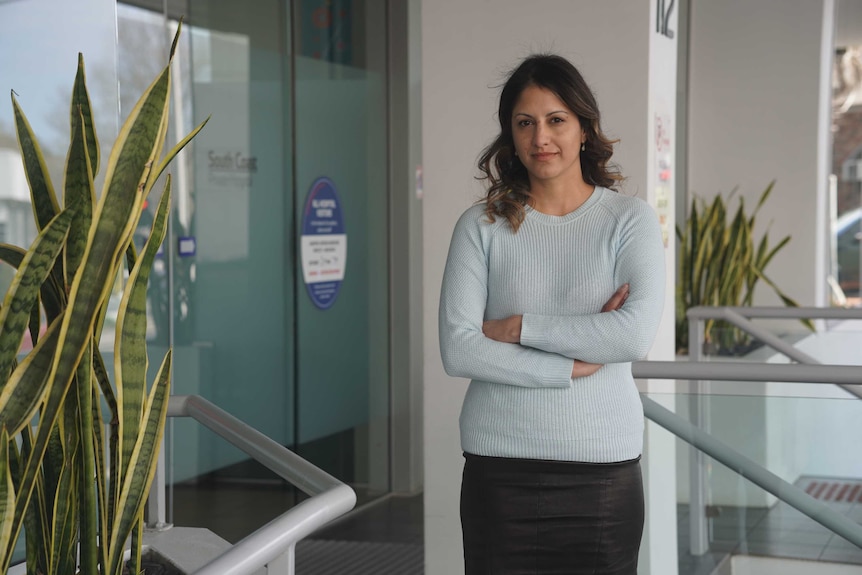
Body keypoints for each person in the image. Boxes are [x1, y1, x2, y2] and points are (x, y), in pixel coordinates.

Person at [438, 54, 666, 574]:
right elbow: (458, 348)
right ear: (511, 136)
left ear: (584, 128)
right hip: (499, 472)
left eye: (556, 120)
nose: (541, 137)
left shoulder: (628, 221)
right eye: (525, 122)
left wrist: (519, 328)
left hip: (602, 474)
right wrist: (571, 363)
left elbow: (631, 336)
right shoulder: (480, 226)